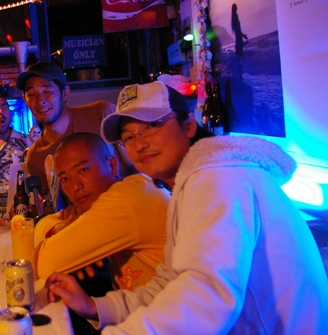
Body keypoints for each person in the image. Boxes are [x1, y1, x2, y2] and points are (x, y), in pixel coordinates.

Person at [46, 81, 328, 334]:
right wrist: (95, 307)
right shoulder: (191, 183)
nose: (139, 144)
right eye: (129, 137)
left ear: (189, 125)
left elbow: (205, 297)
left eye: (152, 125)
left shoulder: (216, 178)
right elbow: (169, 283)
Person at [34, 133, 169, 292]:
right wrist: (59, 228)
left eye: (83, 170)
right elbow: (42, 223)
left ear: (112, 165)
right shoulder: (98, 203)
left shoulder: (126, 199)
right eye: (64, 179)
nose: (75, 186)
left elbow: (42, 264)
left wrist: (70, 245)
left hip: (174, 306)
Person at [16, 62, 133, 195]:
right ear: (25, 99)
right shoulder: (35, 157)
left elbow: (138, 168)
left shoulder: (102, 114)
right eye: (31, 94)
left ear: (65, 93)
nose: (39, 100)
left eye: (47, 91)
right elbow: (54, 204)